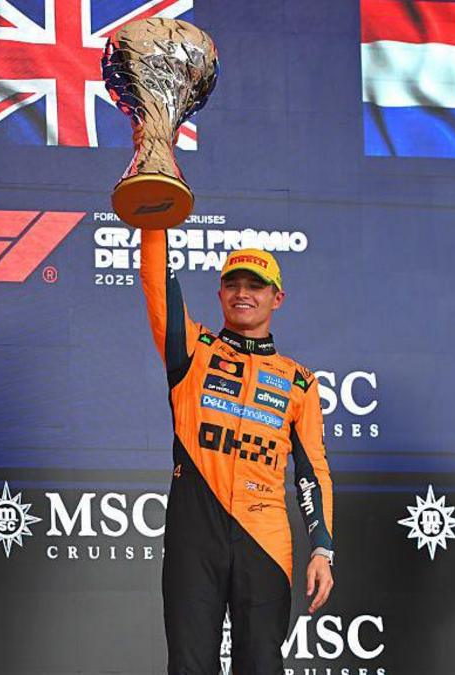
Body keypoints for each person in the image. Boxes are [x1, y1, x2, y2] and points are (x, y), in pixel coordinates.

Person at [139, 229, 335, 674]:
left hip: (264, 537)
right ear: (220, 294)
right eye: (233, 284)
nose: (242, 293)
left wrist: (322, 548)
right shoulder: (193, 350)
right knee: (189, 666)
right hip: (195, 533)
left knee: (262, 665)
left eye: (255, 286)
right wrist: (154, 221)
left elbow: (312, 472)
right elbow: (158, 285)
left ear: (277, 298)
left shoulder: (299, 381)